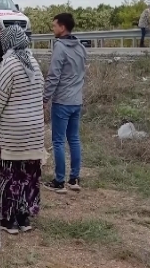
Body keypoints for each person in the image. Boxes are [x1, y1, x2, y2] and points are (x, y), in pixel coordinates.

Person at [0, 24, 45, 234]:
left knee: (8, 176)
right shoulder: (33, 63)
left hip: (12, 133)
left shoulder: (8, 64)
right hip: (34, 134)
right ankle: (24, 218)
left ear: (7, 42)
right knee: (28, 177)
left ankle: (8, 220)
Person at [43, 13, 87, 193]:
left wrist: (44, 98)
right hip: (76, 100)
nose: (53, 29)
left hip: (62, 101)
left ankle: (59, 181)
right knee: (74, 139)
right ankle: (74, 178)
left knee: (59, 141)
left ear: (62, 27)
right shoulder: (81, 47)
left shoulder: (60, 47)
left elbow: (53, 76)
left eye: (54, 26)